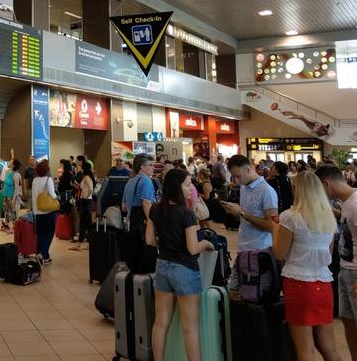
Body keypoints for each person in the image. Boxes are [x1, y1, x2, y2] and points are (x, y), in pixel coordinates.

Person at [272, 172, 342, 361]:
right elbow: (328, 253)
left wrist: (275, 230)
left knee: (305, 349)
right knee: (330, 347)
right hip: (324, 284)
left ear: (297, 190)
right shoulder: (328, 217)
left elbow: (280, 253)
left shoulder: (290, 217)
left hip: (298, 283)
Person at [146, 169, 214, 361]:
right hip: (185, 269)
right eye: (187, 184)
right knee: (190, 328)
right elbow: (192, 248)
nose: (191, 188)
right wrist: (206, 244)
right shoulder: (186, 214)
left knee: (160, 323)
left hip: (162, 267)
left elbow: (150, 240)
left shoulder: (155, 209)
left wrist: (167, 243)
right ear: (177, 187)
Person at [316, 165, 357, 361]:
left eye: (319, 188)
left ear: (326, 183)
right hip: (348, 269)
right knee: (347, 319)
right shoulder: (350, 199)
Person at [220, 155, 279, 292]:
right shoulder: (244, 188)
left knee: (254, 292)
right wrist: (235, 213)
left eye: (238, 176)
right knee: (235, 291)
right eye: (234, 177)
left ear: (248, 169)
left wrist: (242, 213)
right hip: (242, 249)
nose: (236, 180)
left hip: (260, 252)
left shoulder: (267, 192)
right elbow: (245, 220)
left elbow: (272, 226)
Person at [32, 159, 58, 265]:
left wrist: (34, 210)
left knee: (41, 234)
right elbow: (52, 194)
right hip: (48, 211)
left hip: (37, 212)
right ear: (47, 170)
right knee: (49, 234)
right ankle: (42, 253)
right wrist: (57, 197)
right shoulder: (48, 180)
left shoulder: (34, 180)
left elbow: (34, 196)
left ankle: (45, 257)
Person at [70, 163, 94, 251]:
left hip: (86, 202)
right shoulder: (85, 177)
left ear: (84, 168)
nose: (78, 168)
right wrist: (75, 185)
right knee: (85, 223)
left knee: (86, 223)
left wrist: (86, 196)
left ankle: (83, 244)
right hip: (85, 201)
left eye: (80, 167)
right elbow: (83, 188)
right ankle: (82, 243)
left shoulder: (87, 177)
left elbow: (91, 188)